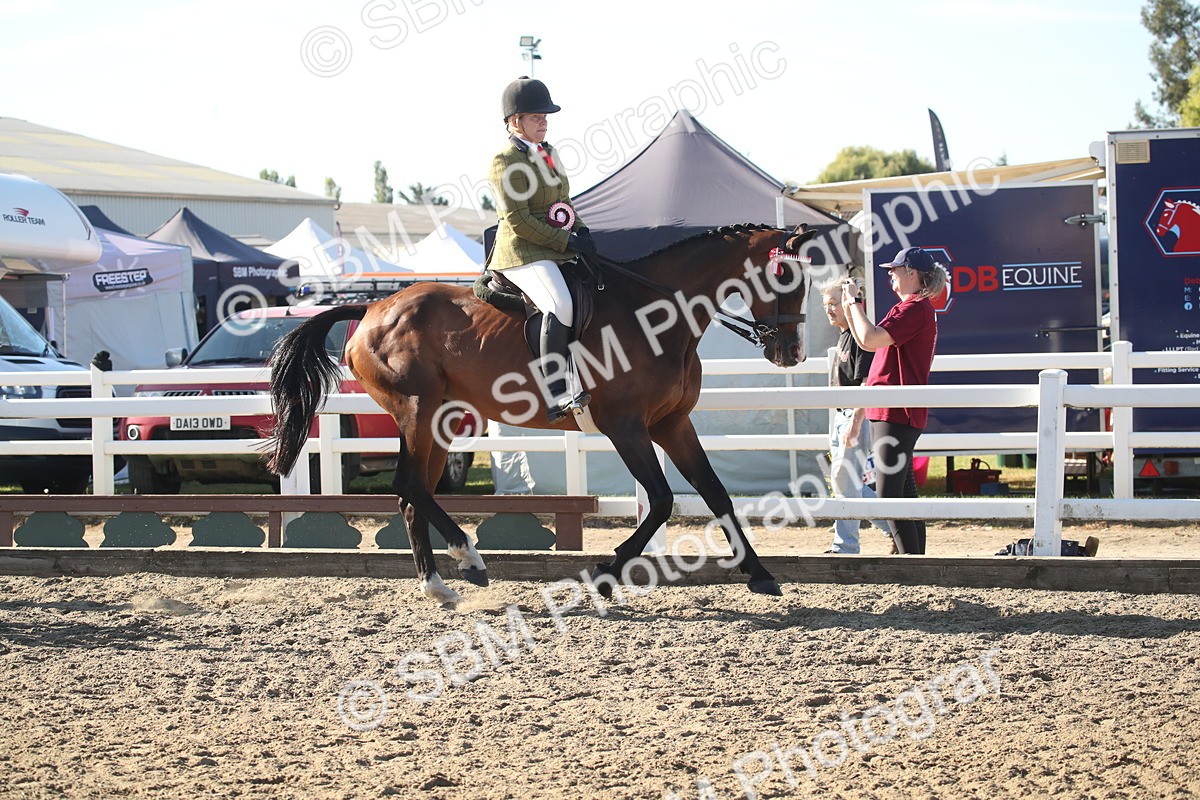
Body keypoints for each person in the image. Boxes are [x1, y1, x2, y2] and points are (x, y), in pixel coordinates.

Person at [487, 76, 595, 423]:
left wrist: (581, 230)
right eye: (537, 117)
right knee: (559, 303)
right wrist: (565, 240)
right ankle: (557, 393)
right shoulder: (505, 161)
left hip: (552, 247)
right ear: (515, 121)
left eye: (546, 116)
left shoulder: (549, 154)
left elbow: (563, 202)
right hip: (520, 252)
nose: (544, 122)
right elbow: (518, 220)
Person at [841, 247, 946, 555]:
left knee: (890, 495)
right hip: (894, 410)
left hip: (896, 411)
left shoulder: (913, 309)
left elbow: (870, 339)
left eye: (895, 269)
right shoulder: (912, 308)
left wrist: (853, 301)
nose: (890, 274)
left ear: (912, 273)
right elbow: (865, 341)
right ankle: (914, 559)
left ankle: (910, 563)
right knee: (902, 493)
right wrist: (851, 303)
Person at [818, 279, 895, 554]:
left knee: (845, 483)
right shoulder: (845, 336)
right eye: (826, 305)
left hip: (853, 415)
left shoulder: (860, 338)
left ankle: (845, 546)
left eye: (833, 304)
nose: (828, 310)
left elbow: (867, 385)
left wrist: (854, 422)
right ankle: (895, 527)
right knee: (845, 483)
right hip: (844, 415)